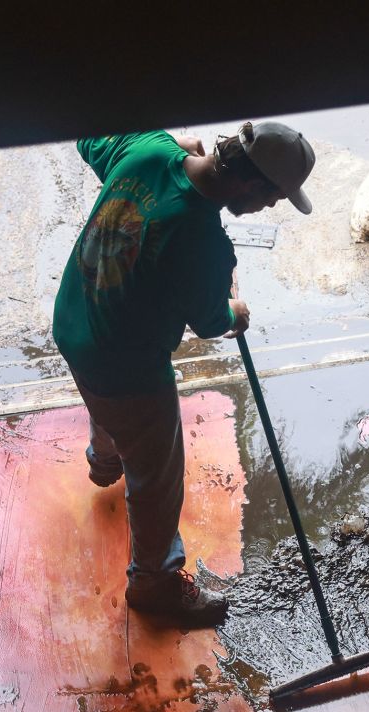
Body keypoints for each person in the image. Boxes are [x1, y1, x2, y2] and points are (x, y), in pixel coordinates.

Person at [52, 121, 316, 626]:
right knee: (157, 476)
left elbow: (90, 136)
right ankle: (154, 582)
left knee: (102, 401)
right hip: (128, 366)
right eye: (274, 197)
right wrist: (236, 307)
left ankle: (104, 461)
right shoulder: (202, 241)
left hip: (74, 320)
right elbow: (214, 320)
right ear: (251, 184)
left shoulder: (147, 147)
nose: (271, 207)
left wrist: (170, 140)